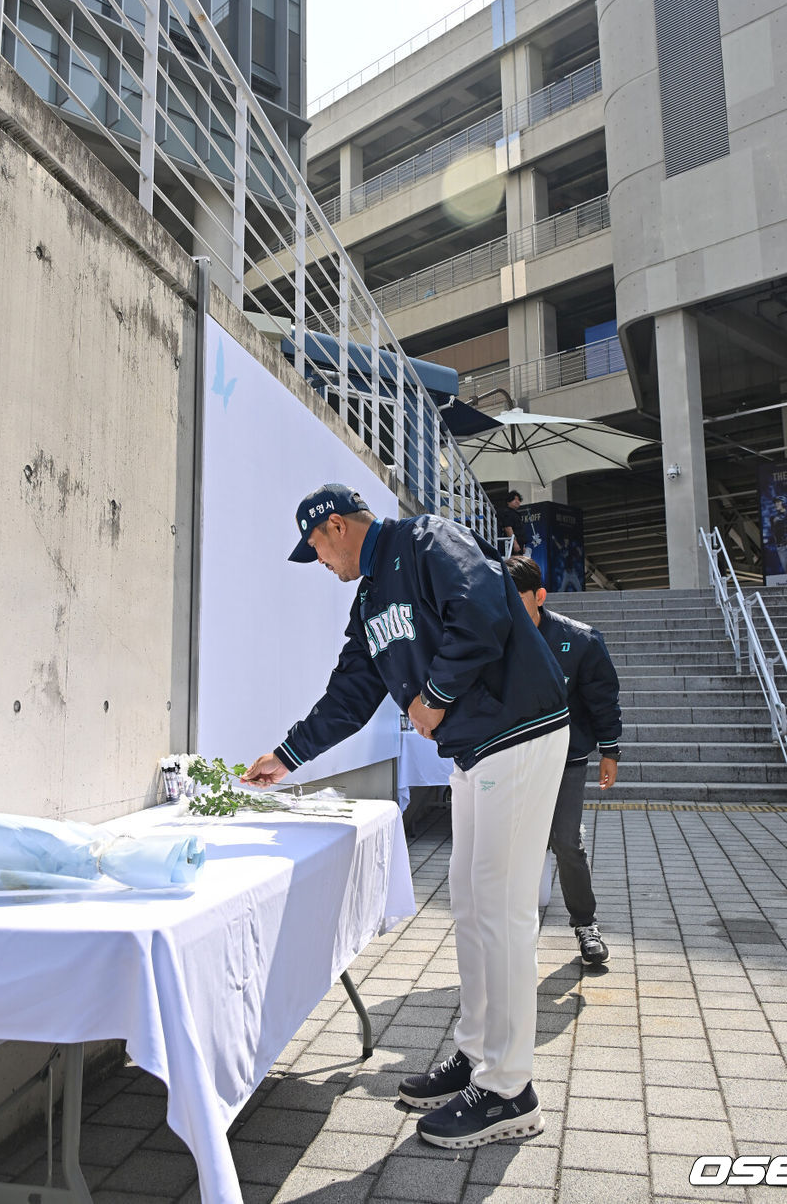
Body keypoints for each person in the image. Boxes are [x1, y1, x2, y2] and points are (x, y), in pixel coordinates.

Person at [243, 483, 569, 1150]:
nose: (321, 564)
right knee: (473, 905)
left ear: (334, 526)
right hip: (477, 747)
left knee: (502, 911)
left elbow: (482, 611)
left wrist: (434, 695)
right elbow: (353, 690)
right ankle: (479, 1058)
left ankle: (510, 1091)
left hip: (519, 729)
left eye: (316, 549)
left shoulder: (426, 539)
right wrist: (287, 754)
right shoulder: (368, 600)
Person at [506, 556, 621, 965]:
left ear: (539, 596)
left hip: (567, 758)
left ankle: (585, 924)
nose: (505, 605)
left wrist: (610, 749)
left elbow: (602, 700)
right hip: (509, 760)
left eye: (515, 596)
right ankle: (509, 932)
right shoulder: (490, 637)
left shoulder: (580, 639)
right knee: (509, 845)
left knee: (566, 843)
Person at [496, 489, 527, 556]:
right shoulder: (507, 513)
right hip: (512, 545)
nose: (517, 501)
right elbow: (508, 528)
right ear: (508, 501)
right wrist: (514, 543)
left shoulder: (516, 514)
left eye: (518, 500)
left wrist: (523, 546)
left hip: (519, 544)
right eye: (514, 499)